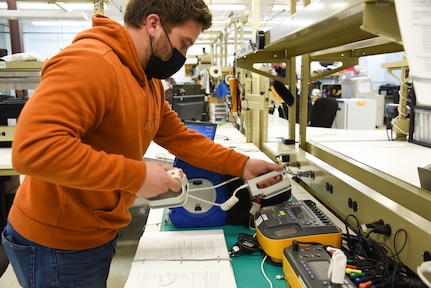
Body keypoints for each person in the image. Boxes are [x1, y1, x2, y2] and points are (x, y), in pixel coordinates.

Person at [1, 0, 283, 287]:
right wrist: (137, 177)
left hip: (97, 229)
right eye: (183, 43)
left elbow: (180, 137)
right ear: (153, 24)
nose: (183, 55)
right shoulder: (91, 62)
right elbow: (34, 149)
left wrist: (242, 165)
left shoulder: (146, 81)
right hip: (56, 242)